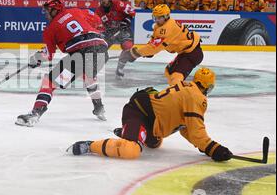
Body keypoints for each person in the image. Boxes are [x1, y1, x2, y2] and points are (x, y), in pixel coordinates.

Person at [68, 68, 233, 163]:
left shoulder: (187, 87)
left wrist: (205, 147)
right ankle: (89, 145)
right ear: (208, 87)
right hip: (138, 112)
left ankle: (128, 131)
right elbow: (196, 130)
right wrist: (213, 148)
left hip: (151, 121)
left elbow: (186, 128)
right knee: (130, 150)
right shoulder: (197, 97)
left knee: (155, 143)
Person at [16, 0, 109, 127]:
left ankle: (35, 113)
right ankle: (99, 108)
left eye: (48, 10)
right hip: (102, 51)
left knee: (49, 81)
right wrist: (100, 32)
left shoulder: (50, 29)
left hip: (80, 55)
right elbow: (95, 18)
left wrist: (35, 59)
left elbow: (47, 55)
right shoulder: (76, 11)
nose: (46, 14)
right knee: (88, 75)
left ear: (56, 9)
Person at [119, 4, 203, 86]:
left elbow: (154, 48)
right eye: (155, 17)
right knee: (169, 72)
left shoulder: (166, 28)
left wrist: (134, 53)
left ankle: (181, 95)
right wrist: (146, 52)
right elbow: (153, 42)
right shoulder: (160, 25)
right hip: (187, 52)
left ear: (166, 16)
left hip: (192, 53)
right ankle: (177, 91)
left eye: (159, 17)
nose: (156, 20)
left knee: (175, 76)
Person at [96, 0, 136, 79]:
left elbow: (132, 12)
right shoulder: (98, 11)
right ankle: (95, 70)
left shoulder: (118, 4)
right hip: (109, 32)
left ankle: (120, 69)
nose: (103, 0)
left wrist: (126, 20)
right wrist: (102, 33)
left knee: (127, 46)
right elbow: (98, 27)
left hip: (123, 30)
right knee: (100, 49)